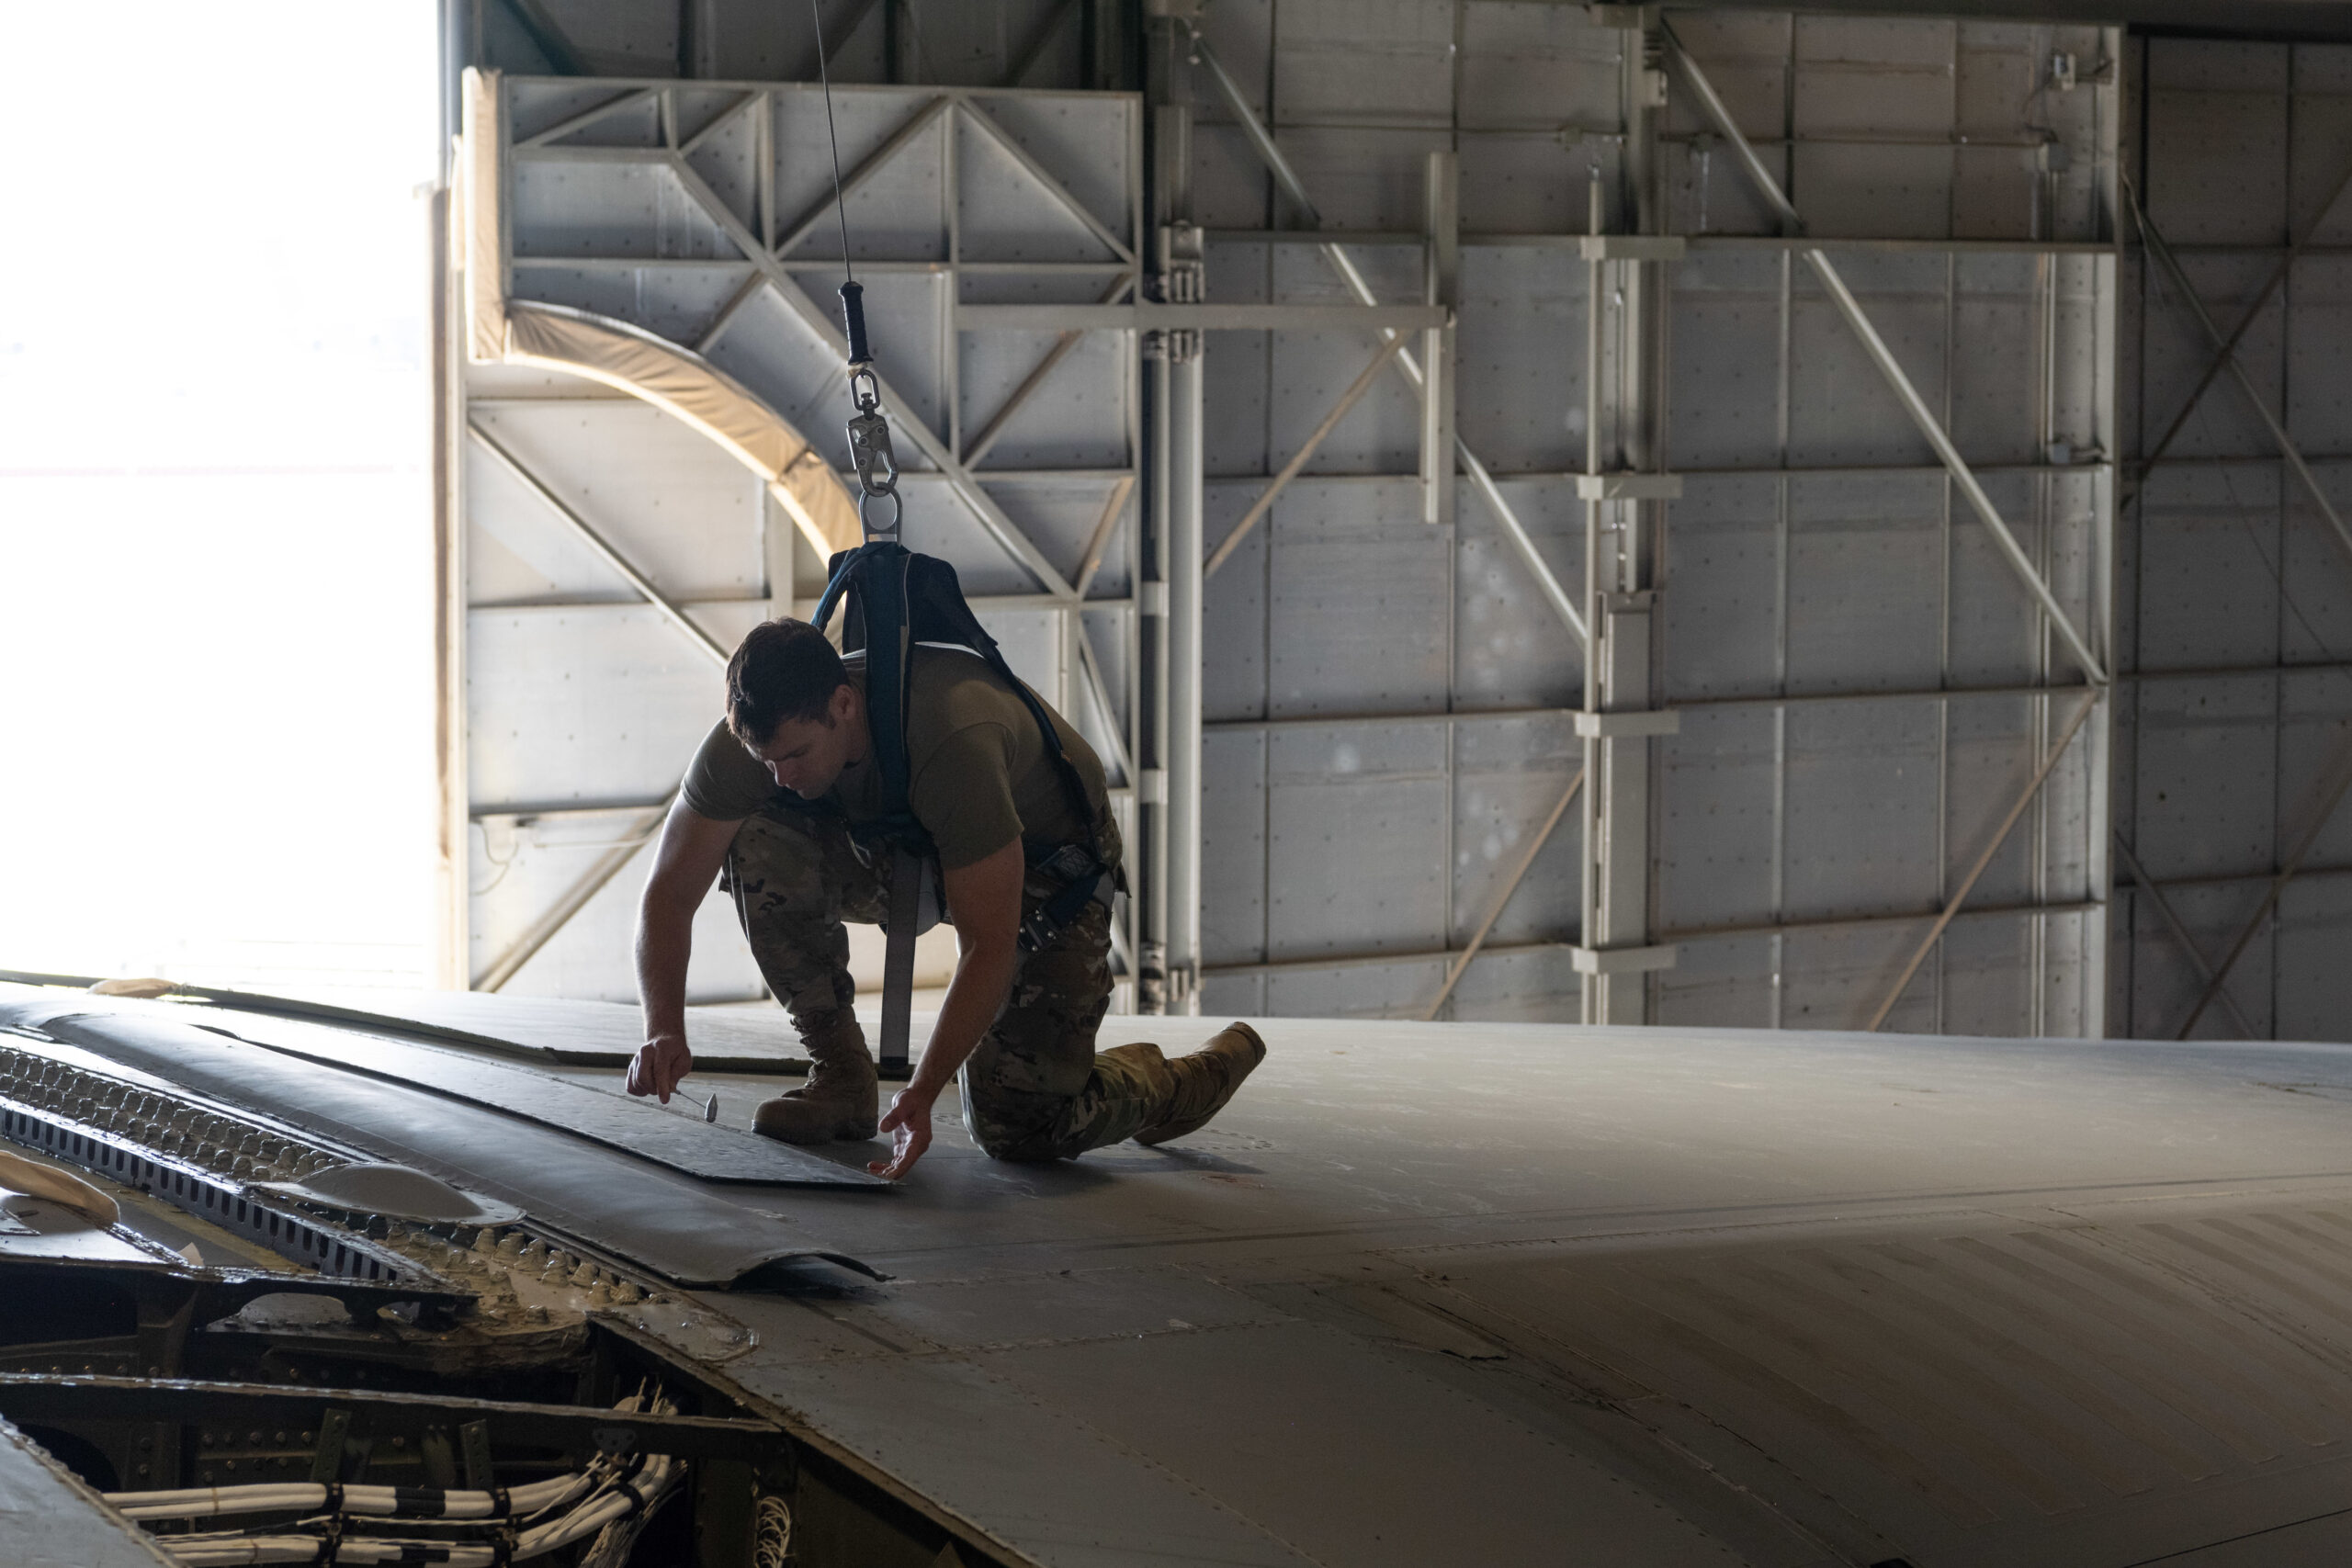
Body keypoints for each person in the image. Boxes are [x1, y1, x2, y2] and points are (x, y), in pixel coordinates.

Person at [625, 618, 1264, 1179]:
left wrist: (922, 1093)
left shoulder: (953, 735)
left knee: (1018, 1128)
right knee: (757, 836)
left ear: (843, 704)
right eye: (767, 762)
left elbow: (988, 943)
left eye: (795, 754)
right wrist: (662, 1029)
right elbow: (669, 893)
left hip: (1048, 872)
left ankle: (1176, 1083)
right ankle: (842, 1076)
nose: (782, 776)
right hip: (915, 846)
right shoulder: (757, 742)